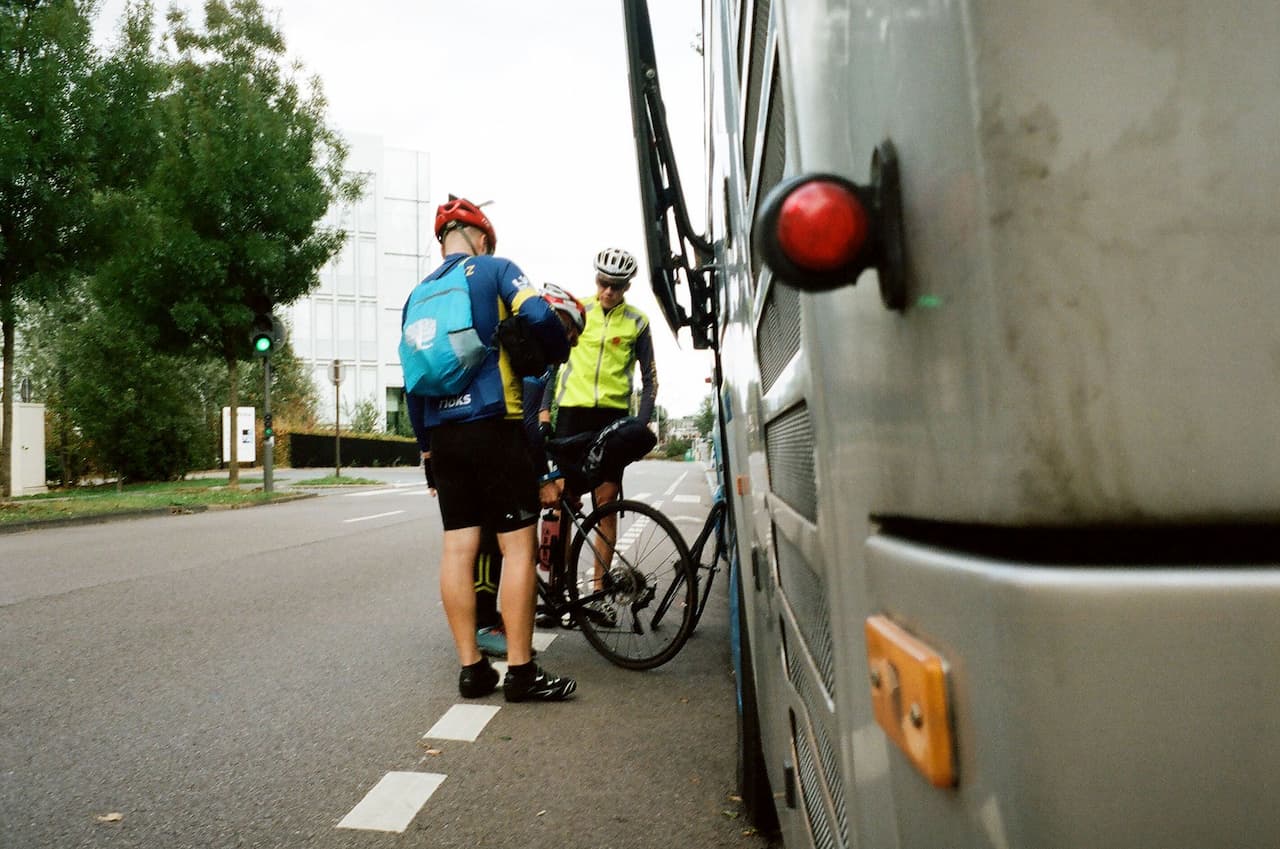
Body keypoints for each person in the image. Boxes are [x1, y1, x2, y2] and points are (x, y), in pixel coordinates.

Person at [405, 196, 580, 703]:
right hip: (494, 426)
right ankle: (522, 673)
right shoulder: (498, 269)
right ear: (482, 238)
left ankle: (472, 669)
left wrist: (427, 452)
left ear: (443, 241)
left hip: (442, 434)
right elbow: (541, 317)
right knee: (517, 547)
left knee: (458, 548)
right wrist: (553, 349)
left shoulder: (418, 294)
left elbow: (414, 381)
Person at [540, 248, 658, 623]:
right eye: (604, 283)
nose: (609, 291)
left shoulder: (637, 322)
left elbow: (650, 379)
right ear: (596, 280)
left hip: (611, 417)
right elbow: (553, 361)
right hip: (572, 414)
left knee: (605, 504)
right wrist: (544, 408)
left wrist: (641, 421)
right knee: (561, 503)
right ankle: (557, 594)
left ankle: (598, 595)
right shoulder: (580, 310)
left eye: (617, 286)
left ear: (627, 287)